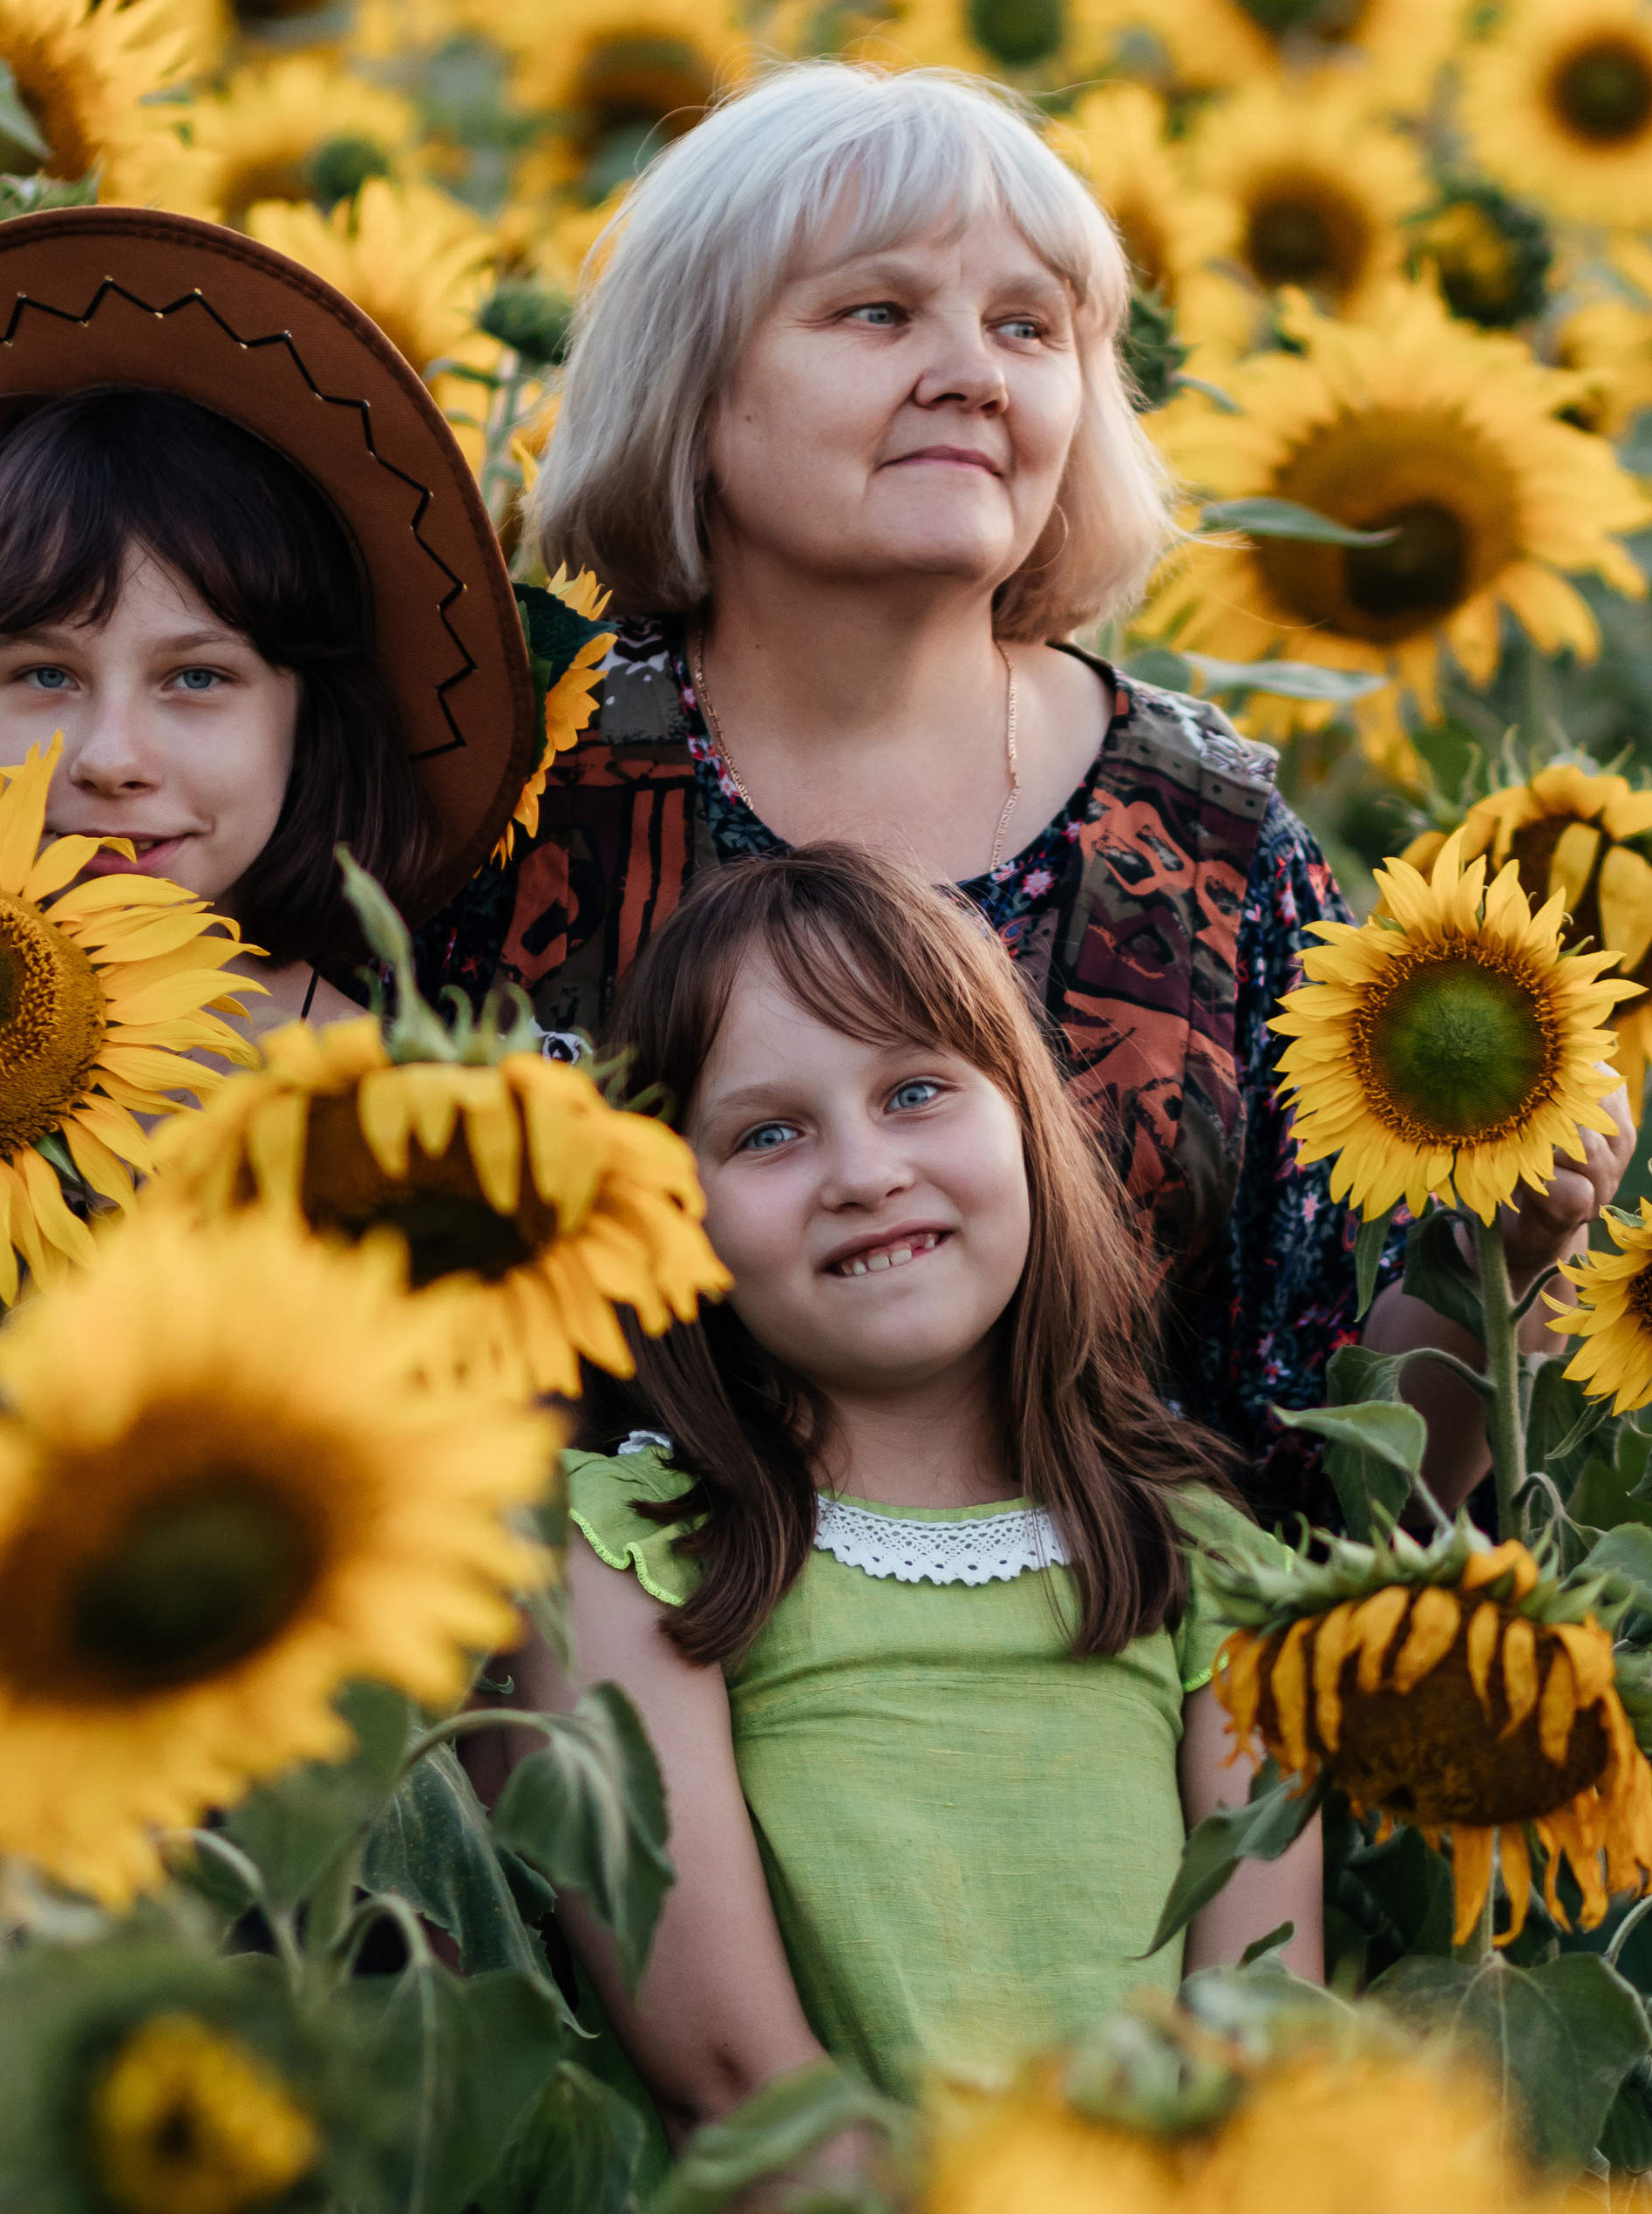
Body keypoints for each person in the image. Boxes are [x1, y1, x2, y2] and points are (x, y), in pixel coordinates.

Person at [432, 63, 1636, 1523]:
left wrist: (1496, 1265)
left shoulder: (1213, 839)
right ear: (691, 386)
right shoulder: (521, 783)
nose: (973, 373)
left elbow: (1338, 1482)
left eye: (1028, 327)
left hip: (1124, 1708)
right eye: (877, 313)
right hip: (614, 1709)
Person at [499, 845, 1325, 2146]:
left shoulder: (1203, 1554)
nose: (865, 1171)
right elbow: (734, 2080)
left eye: (917, 1091)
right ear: (672, 1214)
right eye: (768, 1133)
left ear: (1028, 1124)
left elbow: (1269, 2024)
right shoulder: (634, 1551)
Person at [0, 203, 533, 1464]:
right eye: (45, 676)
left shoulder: (399, 1115)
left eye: (197, 679)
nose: (110, 759)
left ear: (308, 721)